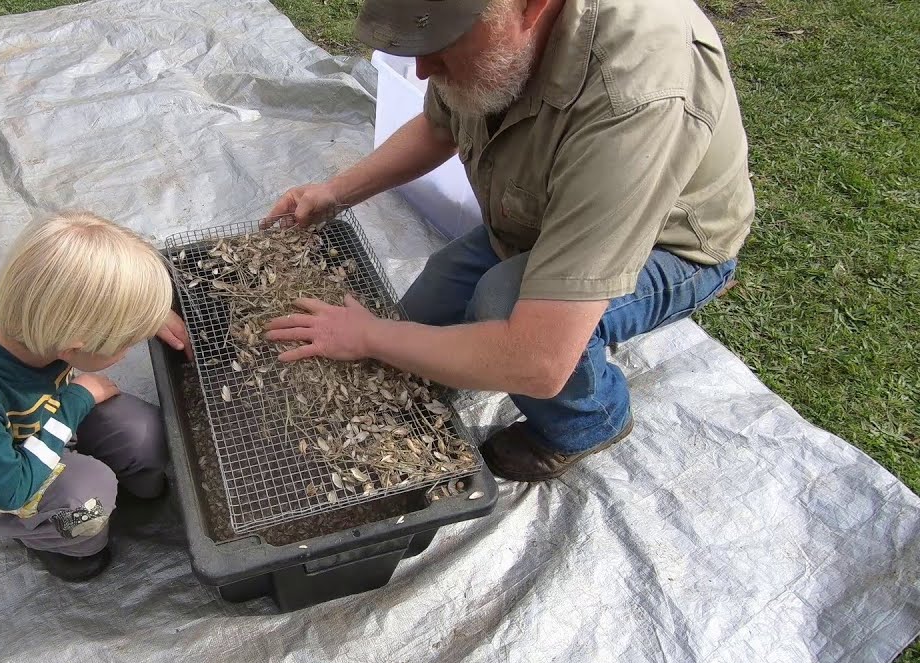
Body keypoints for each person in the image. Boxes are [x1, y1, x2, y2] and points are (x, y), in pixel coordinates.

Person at [264, 0, 753, 482]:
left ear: (532, 8)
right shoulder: (493, 37)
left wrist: (369, 335)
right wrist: (334, 193)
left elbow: (536, 360)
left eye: (443, 44)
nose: (421, 70)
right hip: (540, 219)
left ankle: (589, 423)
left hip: (670, 246)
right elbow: (440, 125)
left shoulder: (635, 96)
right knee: (427, 309)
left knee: (499, 305)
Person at [0, 211, 190, 581]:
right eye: (126, 341)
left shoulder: (34, 306)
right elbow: (9, 491)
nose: (129, 350)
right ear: (72, 344)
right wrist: (76, 400)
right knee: (88, 507)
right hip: (14, 469)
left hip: (53, 414)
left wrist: (139, 310)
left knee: (149, 435)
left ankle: (134, 488)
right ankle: (67, 546)